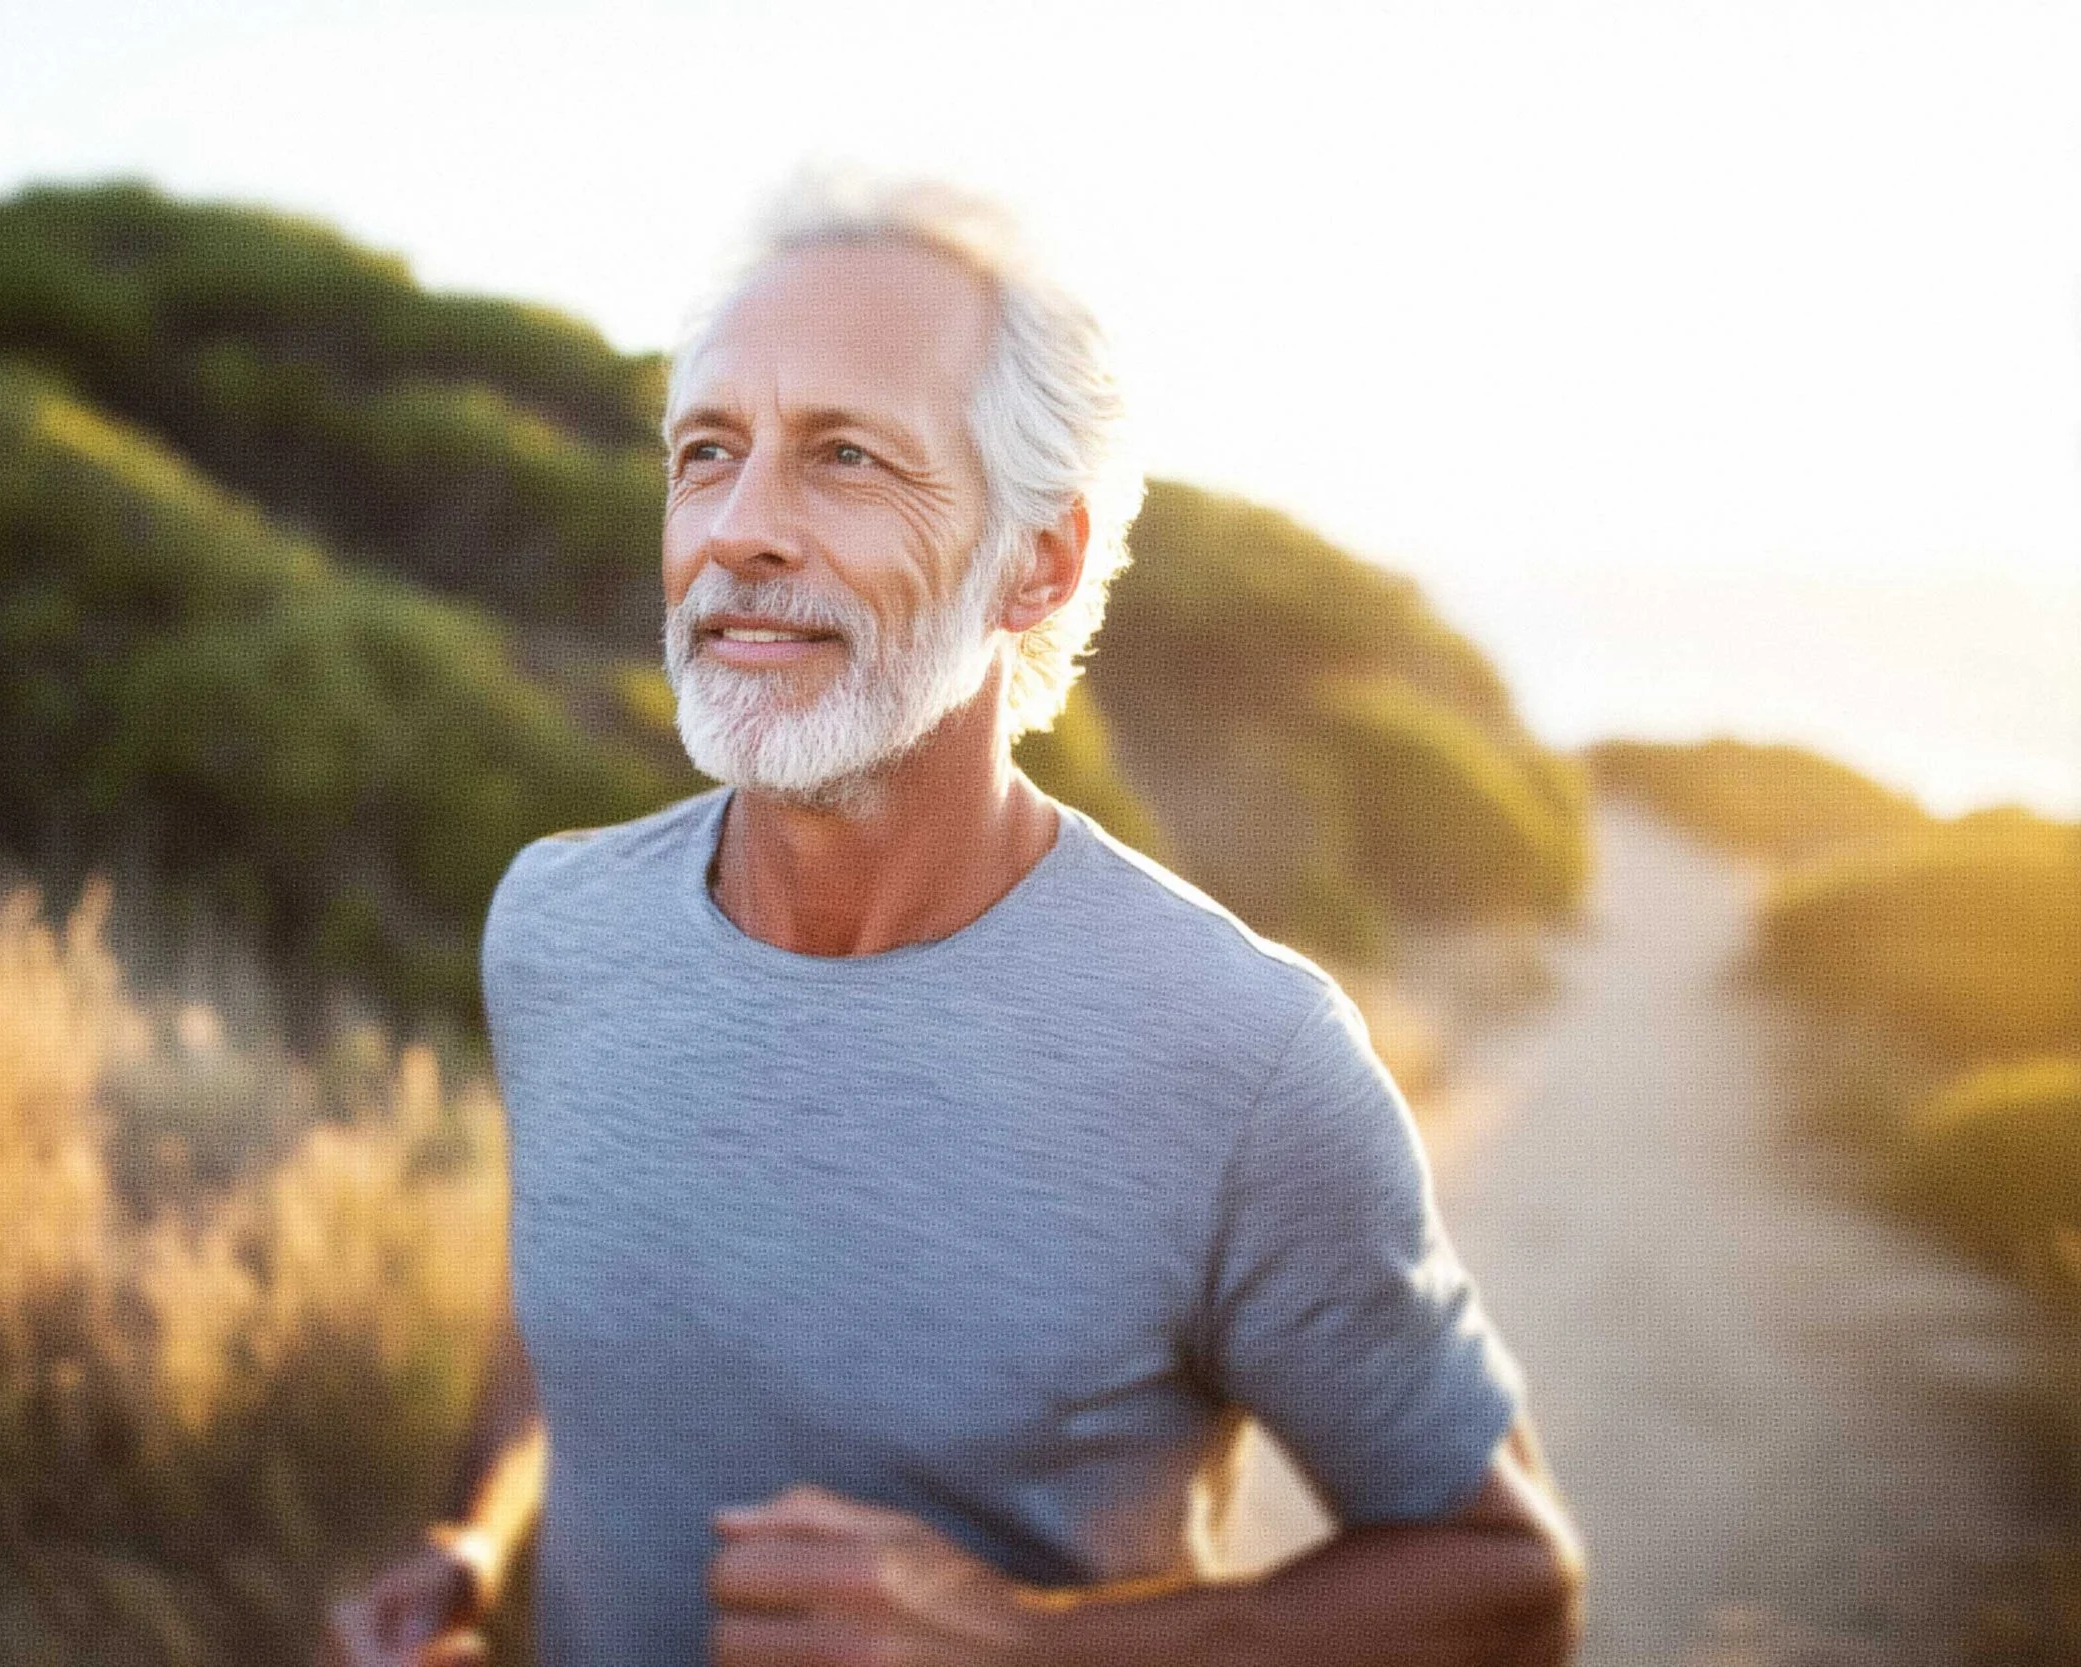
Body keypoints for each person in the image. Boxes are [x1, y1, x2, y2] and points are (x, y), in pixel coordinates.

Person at [327, 174, 1584, 1667]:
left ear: (1037, 562)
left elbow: (1508, 1580)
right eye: (706, 453)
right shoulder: (556, 927)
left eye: (845, 458)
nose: (739, 532)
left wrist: (1020, 1639)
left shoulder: (1241, 1056)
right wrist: (469, 1529)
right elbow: (569, 1298)